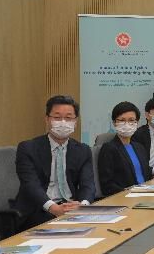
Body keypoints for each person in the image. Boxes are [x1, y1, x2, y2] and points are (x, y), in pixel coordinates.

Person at [13, 96, 96, 230]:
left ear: (76, 122)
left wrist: (82, 206)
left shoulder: (83, 150)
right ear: (47, 119)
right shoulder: (28, 148)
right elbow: (30, 185)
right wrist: (54, 208)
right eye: (57, 117)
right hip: (39, 209)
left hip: (71, 208)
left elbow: (88, 184)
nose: (63, 122)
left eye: (69, 118)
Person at [98, 102, 152, 197]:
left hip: (146, 194)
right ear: (114, 123)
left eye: (131, 120)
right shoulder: (109, 148)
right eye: (122, 120)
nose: (127, 124)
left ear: (137, 123)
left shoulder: (139, 147)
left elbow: (145, 173)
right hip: (125, 197)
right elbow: (107, 185)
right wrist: (130, 192)